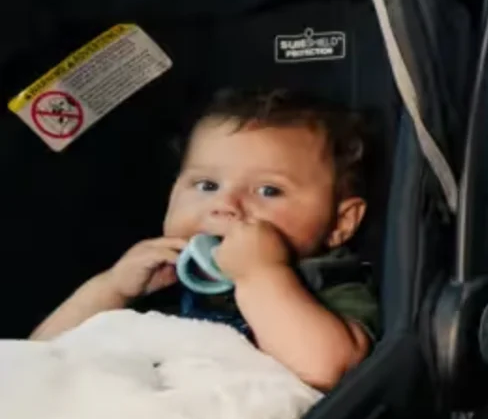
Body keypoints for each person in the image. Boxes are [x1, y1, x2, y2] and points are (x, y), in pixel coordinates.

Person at [31, 89, 377, 392]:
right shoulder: (164, 282)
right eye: (207, 186)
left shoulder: (327, 283)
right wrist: (113, 288)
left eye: (269, 190)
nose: (225, 205)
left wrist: (261, 273)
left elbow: (327, 370)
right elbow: (39, 353)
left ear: (340, 223)